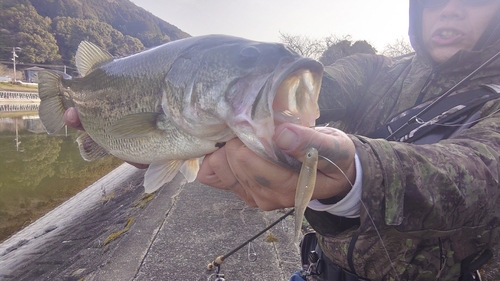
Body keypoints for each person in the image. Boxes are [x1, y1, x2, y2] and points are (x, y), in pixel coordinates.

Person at [64, 0, 500, 280]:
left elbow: (483, 173)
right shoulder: (377, 70)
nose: (451, 10)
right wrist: (202, 129)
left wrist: (355, 175)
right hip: (324, 266)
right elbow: (299, 97)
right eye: (435, 1)